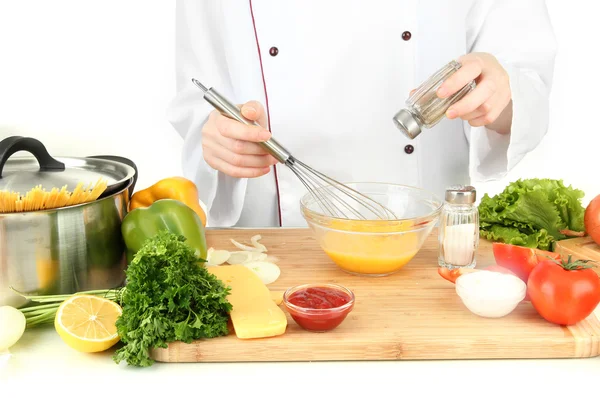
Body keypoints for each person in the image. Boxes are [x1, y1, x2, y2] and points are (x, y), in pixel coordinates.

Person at [167, 0, 557, 228]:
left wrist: (500, 93)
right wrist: (215, 135)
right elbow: (196, 89)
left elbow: (526, 86)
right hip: (272, 246)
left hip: (422, 241)